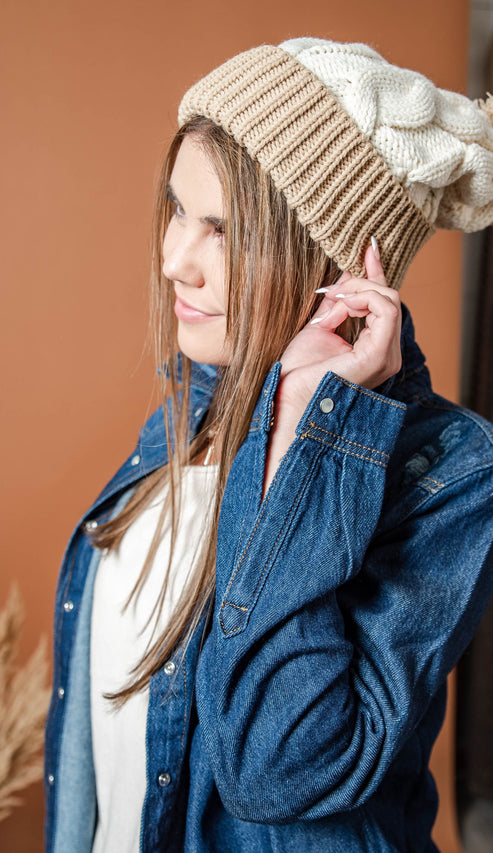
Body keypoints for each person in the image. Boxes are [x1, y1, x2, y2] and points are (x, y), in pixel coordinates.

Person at [44, 38, 493, 852]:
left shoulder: (453, 473)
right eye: (177, 209)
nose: (176, 259)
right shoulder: (193, 409)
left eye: (225, 230)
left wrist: (305, 429)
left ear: (342, 269)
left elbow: (280, 769)